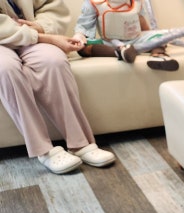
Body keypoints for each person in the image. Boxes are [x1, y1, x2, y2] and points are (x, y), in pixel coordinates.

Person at [0, 0, 116, 174]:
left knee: (54, 61)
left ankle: (79, 143)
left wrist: (41, 26)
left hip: (31, 35)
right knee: (6, 69)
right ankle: (43, 150)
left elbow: (51, 6)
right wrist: (44, 37)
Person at [72, 0, 179, 71]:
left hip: (135, 40)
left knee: (163, 36)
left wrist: (151, 39)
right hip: (109, 42)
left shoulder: (136, 1)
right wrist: (79, 36)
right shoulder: (94, 2)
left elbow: (141, 20)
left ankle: (158, 55)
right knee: (83, 48)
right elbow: (84, 25)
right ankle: (120, 52)